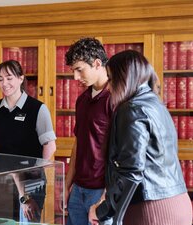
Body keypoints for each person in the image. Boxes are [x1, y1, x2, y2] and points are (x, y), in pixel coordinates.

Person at [89, 50, 192, 225]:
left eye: (111, 78)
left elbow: (131, 171)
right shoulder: (156, 104)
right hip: (178, 201)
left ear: (124, 78)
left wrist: (102, 211)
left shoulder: (132, 108)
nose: (108, 86)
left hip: (152, 209)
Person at [0, 60, 56, 222]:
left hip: (30, 181)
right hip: (0, 180)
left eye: (9, 78)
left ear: (20, 78)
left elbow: (50, 146)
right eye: (0, 79)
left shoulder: (38, 108)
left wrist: (34, 174)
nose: (4, 83)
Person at [64, 37, 113, 225]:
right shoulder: (82, 100)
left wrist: (106, 195)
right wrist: (67, 185)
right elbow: (78, 144)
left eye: (79, 69)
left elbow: (120, 152)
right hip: (78, 189)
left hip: (101, 191)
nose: (76, 77)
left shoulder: (115, 99)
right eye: (73, 71)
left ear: (97, 63)